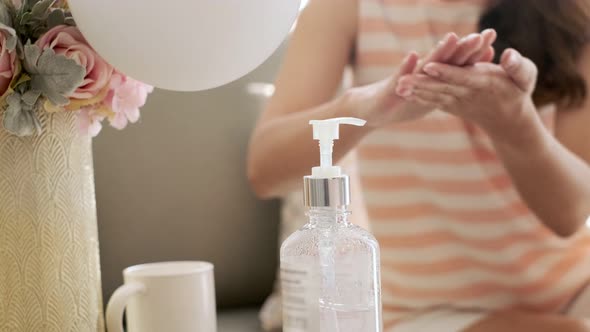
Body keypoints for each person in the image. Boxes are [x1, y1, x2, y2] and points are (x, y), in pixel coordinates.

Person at [247, 0, 590, 331]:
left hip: (574, 292)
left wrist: (515, 125)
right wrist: (366, 108)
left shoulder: (572, 12)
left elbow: (571, 215)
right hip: (425, 313)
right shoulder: (348, 6)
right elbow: (265, 172)